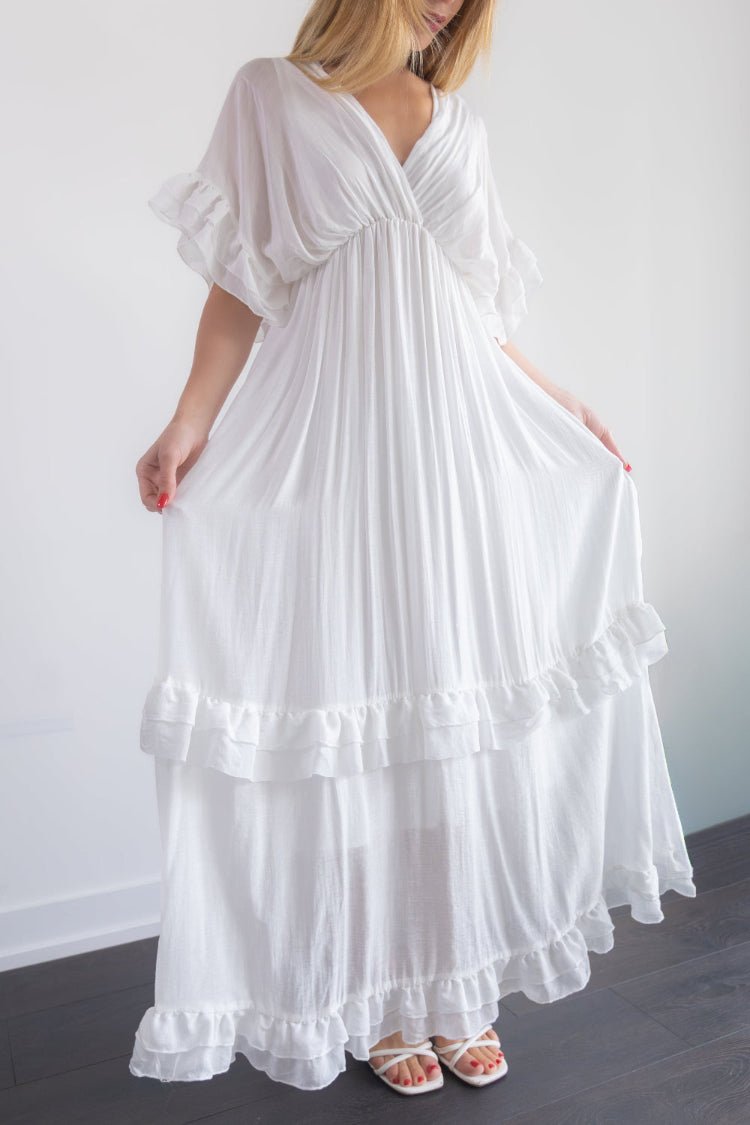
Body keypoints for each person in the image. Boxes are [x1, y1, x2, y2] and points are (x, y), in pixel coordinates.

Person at [130, 0, 697, 1097]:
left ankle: (454, 988)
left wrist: (561, 402)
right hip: (333, 452)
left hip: (454, 460)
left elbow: (478, 315)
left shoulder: (459, 125)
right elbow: (240, 287)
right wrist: (190, 420)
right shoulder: (271, 94)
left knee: (453, 712)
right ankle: (382, 996)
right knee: (354, 710)